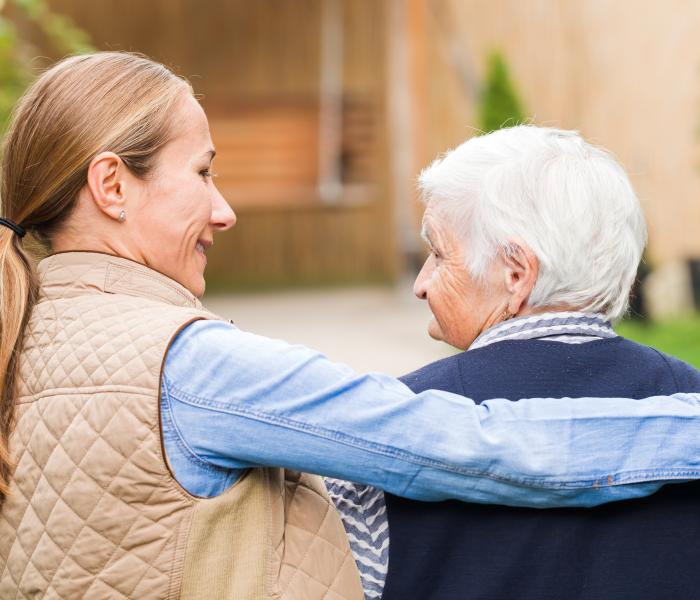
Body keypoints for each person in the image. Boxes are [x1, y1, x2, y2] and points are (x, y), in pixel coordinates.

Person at [0, 53, 699, 599]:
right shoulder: (187, 366)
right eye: (204, 172)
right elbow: (474, 445)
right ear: (113, 185)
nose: (224, 210)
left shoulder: (21, 339)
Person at [326, 126, 700, 600]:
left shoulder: (387, 428)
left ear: (517, 273)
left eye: (438, 254)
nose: (420, 284)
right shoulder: (690, 397)